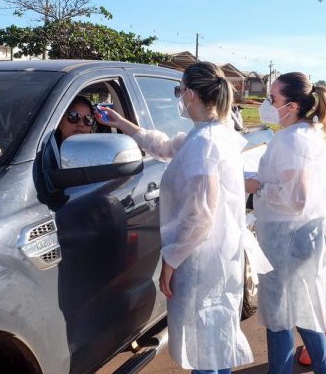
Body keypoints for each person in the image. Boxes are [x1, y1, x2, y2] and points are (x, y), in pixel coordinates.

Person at [96, 62, 259, 374]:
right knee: (212, 342)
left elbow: (200, 216)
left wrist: (170, 261)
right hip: (214, 256)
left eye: (178, 90)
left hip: (201, 259)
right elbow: (163, 146)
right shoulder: (207, 135)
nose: (178, 96)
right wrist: (123, 123)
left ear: (190, 94)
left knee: (206, 346)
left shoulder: (206, 145)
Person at [245, 72, 326, 374]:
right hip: (299, 236)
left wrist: (257, 187)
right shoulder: (307, 134)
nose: (268, 105)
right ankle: (324, 369)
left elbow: (297, 197)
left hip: (287, 238)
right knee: (303, 312)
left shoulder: (293, 140)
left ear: (292, 106)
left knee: (281, 319)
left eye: (273, 99)